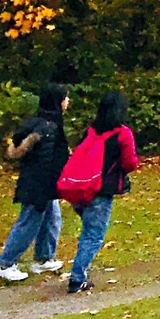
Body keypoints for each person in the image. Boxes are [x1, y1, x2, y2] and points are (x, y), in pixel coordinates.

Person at [65, 90, 138, 295]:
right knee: (93, 235)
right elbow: (130, 162)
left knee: (88, 231)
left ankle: (81, 269)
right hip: (101, 190)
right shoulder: (123, 134)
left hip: (79, 187)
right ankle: (77, 277)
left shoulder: (90, 130)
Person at [0, 83, 69, 283]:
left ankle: (44, 257)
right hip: (39, 184)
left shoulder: (42, 122)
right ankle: (6, 263)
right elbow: (46, 159)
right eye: (65, 98)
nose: (68, 101)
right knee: (29, 222)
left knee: (52, 218)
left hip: (43, 183)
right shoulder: (48, 127)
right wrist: (46, 187)